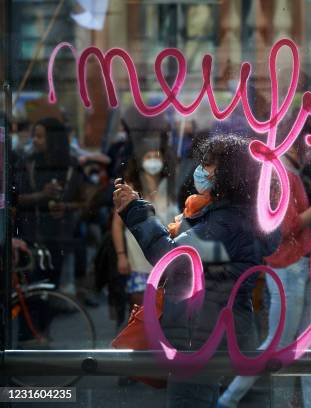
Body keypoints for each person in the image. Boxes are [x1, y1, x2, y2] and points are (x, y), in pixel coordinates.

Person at [113, 133, 279, 407]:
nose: (201, 170)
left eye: (210, 165)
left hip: (203, 334)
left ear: (229, 174)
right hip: (218, 329)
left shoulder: (225, 223)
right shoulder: (229, 216)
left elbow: (170, 257)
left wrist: (136, 211)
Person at [217, 137, 311, 408]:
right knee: (278, 343)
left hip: (297, 265)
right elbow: (286, 228)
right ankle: (228, 400)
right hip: (288, 267)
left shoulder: (288, 174)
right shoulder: (283, 176)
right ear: (299, 146)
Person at [14, 117, 86, 288]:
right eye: (34, 136)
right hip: (32, 238)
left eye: (40, 137)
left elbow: (85, 202)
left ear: (53, 139)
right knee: (33, 289)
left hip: (60, 239)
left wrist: (66, 207)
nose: (35, 141)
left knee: (52, 286)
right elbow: (16, 199)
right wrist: (41, 195)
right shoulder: (29, 162)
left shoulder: (71, 165)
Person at [112, 140, 178, 309]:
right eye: (148, 156)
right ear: (140, 160)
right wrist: (121, 256)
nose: (153, 160)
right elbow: (117, 225)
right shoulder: (130, 190)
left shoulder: (171, 187)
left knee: (162, 317)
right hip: (138, 264)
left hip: (165, 263)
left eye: (156, 156)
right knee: (141, 317)